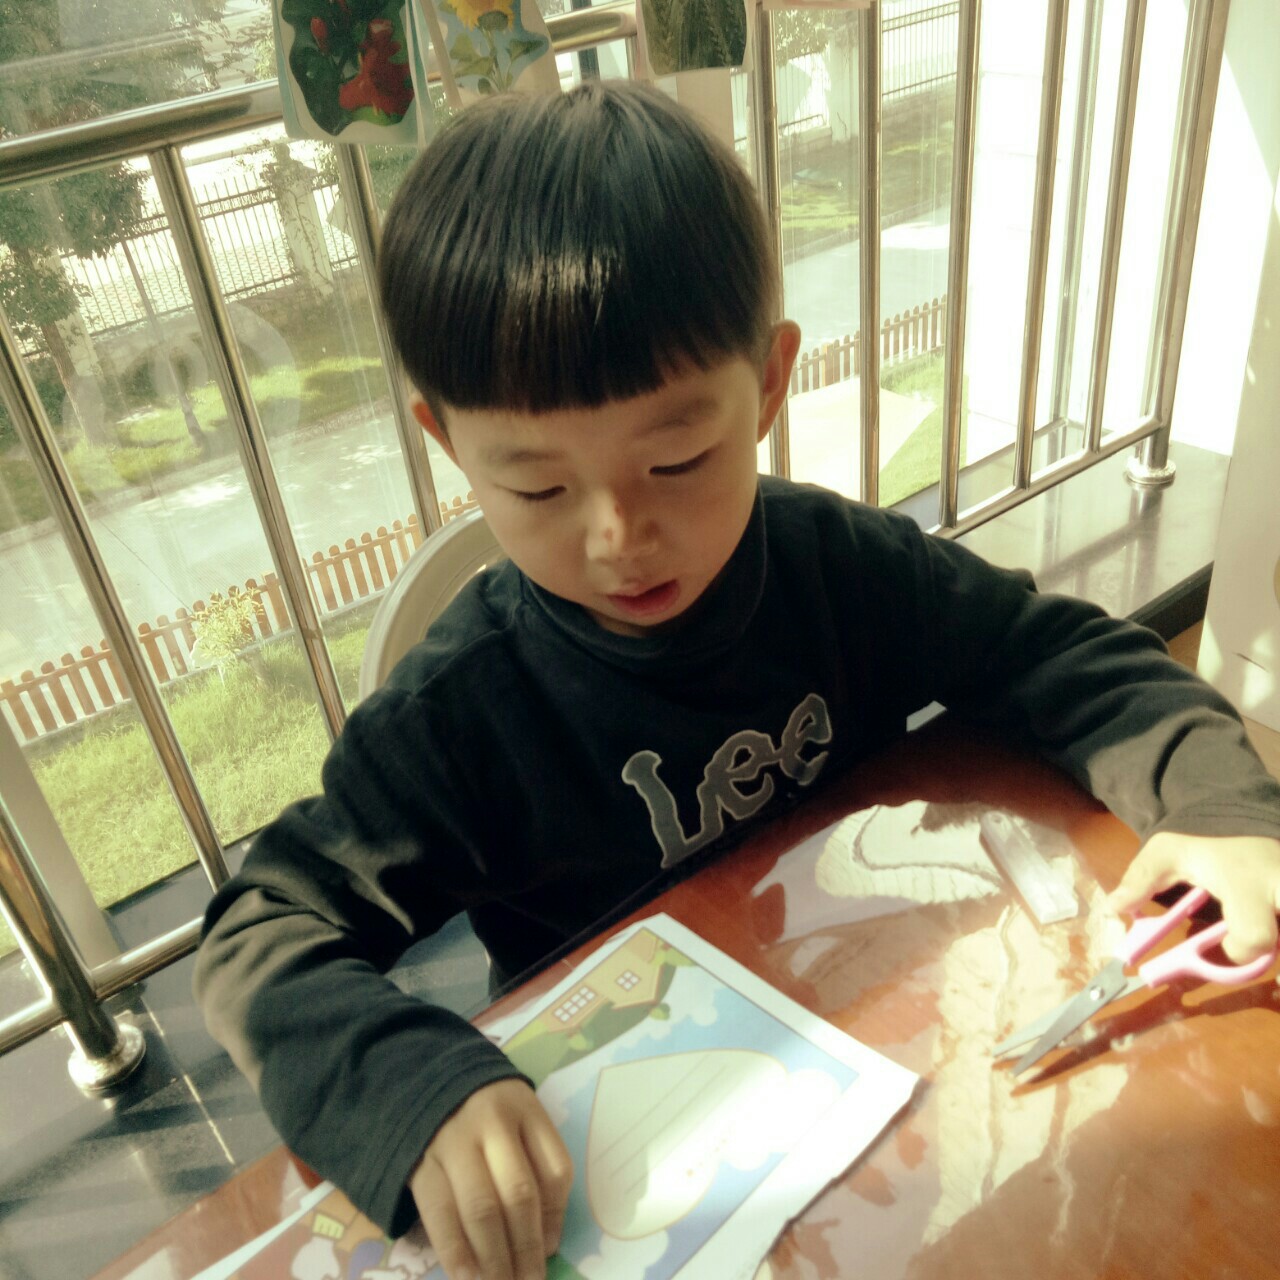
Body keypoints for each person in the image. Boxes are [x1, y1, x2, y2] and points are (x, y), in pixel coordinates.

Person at [194, 80, 1280, 1280]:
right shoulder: (459, 714)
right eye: (538, 487)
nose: (617, 535)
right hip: (628, 1154)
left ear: (765, 385)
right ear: (449, 444)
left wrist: (1219, 809)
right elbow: (262, 933)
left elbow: (1055, 648)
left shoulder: (834, 566)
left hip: (877, 1061)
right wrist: (408, 1080)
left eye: (676, 458)